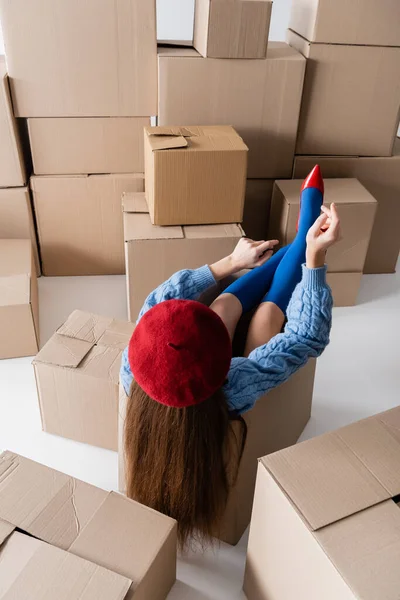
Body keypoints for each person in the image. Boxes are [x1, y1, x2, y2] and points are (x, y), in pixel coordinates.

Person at [120, 166, 340, 548]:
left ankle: (293, 245)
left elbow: (157, 303)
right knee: (267, 318)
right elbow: (304, 336)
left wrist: (231, 263)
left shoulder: (131, 370)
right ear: (223, 365)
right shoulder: (236, 383)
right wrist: (316, 259)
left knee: (222, 304)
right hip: (240, 374)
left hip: (194, 385)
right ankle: (303, 240)